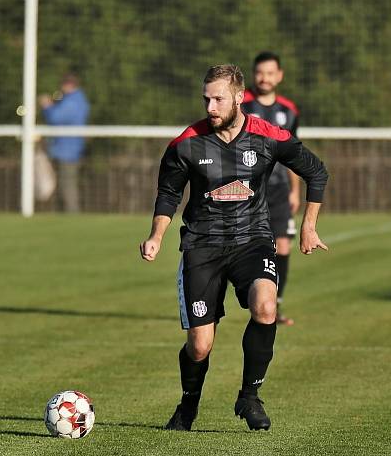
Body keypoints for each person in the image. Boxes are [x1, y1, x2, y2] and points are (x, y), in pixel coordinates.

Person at [140, 64, 328, 432]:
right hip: (202, 246)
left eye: (218, 99)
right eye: (206, 98)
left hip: (252, 240)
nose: (210, 107)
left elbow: (316, 172)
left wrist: (309, 227)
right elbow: (169, 193)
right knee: (199, 346)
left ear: (240, 98)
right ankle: (188, 404)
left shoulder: (268, 135)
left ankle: (249, 395)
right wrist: (156, 236)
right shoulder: (186, 144)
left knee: (265, 306)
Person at [241, 52, 300, 325]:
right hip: (248, 187)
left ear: (279, 75)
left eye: (269, 73)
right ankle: (250, 298)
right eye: (259, 72)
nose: (264, 78)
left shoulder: (288, 110)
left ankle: (274, 305)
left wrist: (294, 190)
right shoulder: (241, 104)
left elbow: (293, 153)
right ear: (253, 75)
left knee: (284, 246)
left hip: (278, 188)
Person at [39, 73, 90, 213]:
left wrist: (47, 106)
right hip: (64, 150)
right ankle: (64, 213)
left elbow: (55, 118)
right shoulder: (72, 100)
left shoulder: (73, 101)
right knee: (62, 184)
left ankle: (71, 213)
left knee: (67, 185)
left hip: (68, 151)